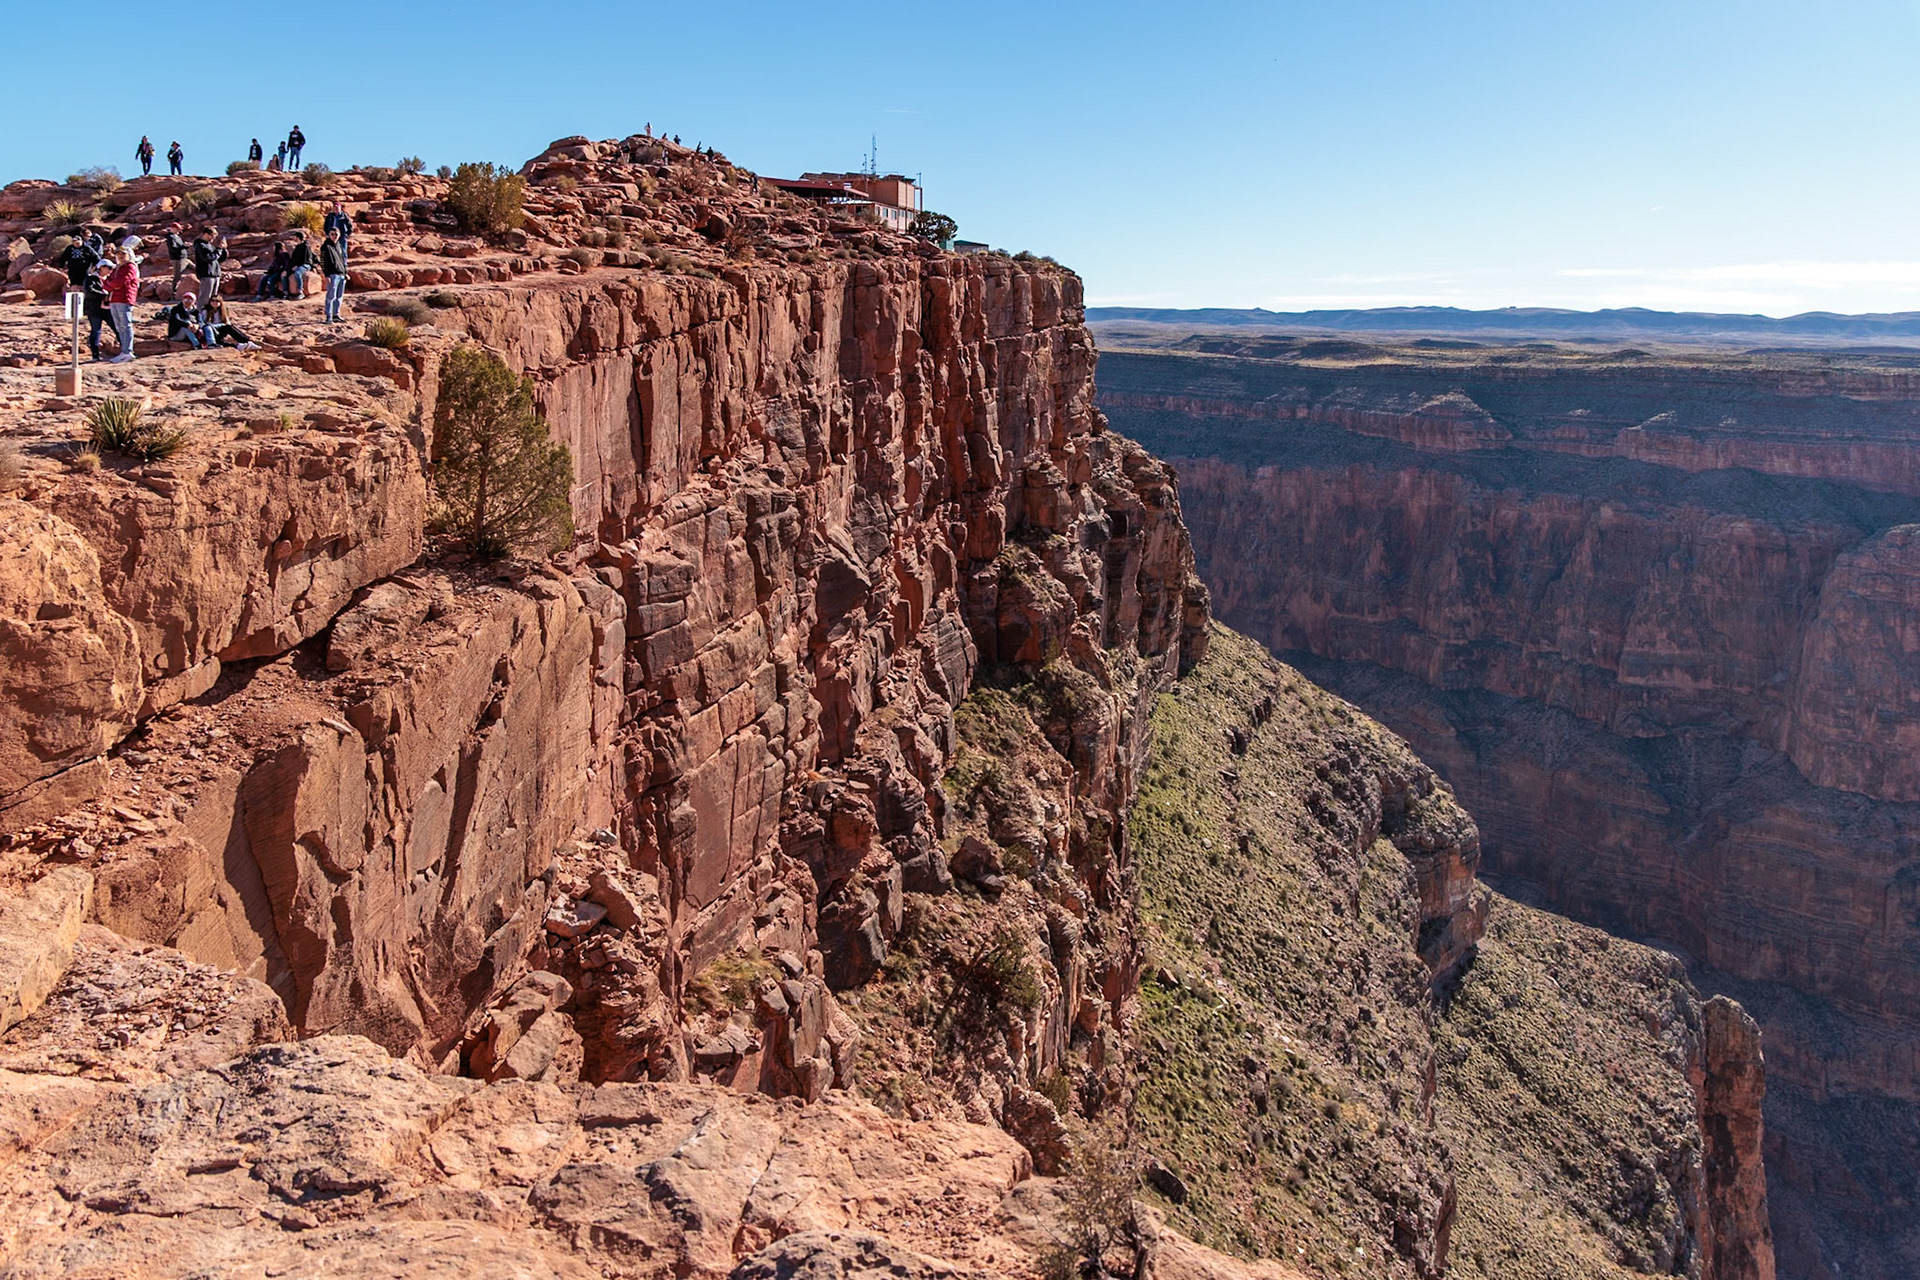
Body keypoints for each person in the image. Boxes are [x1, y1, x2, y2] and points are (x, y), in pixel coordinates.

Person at [103, 245, 140, 364]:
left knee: (125, 325)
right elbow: (107, 282)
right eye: (118, 254)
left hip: (124, 298)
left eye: (123, 254)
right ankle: (123, 351)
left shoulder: (130, 267)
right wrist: (111, 285)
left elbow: (120, 282)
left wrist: (111, 284)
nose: (120, 256)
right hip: (114, 299)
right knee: (119, 326)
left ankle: (128, 351)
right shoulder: (117, 268)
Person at [82, 260, 112, 360]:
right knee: (96, 330)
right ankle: (95, 355)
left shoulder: (111, 279)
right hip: (94, 308)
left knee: (117, 328)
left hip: (108, 308)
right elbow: (89, 291)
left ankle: (125, 351)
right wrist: (104, 295)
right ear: (102, 267)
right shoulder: (91, 278)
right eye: (109, 268)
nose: (110, 270)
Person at [191, 231, 227, 307]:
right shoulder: (200, 245)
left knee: (213, 299)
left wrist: (223, 250)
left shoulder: (210, 245)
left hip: (215, 274)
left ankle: (210, 316)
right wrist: (219, 249)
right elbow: (209, 258)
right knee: (205, 298)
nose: (213, 238)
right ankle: (200, 315)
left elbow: (219, 259)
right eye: (212, 236)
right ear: (206, 234)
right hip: (206, 274)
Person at [320, 226, 347, 323]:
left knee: (339, 296)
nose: (334, 236)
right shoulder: (325, 246)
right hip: (332, 275)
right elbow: (322, 262)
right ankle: (329, 316)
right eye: (332, 234)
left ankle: (336, 314)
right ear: (329, 235)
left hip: (341, 274)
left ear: (339, 235)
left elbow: (342, 260)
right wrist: (326, 275)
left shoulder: (339, 245)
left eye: (336, 234)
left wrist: (345, 272)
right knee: (331, 296)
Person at [285, 233, 314, 298]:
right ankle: (286, 293)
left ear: (298, 238)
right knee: (286, 273)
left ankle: (300, 292)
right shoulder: (297, 247)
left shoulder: (305, 246)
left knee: (297, 273)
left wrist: (297, 266)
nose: (294, 238)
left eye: (295, 237)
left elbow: (305, 259)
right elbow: (294, 259)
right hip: (299, 265)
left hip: (305, 264)